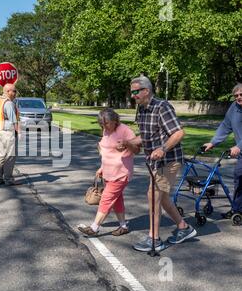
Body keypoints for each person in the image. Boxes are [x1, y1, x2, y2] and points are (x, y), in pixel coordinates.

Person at [126, 76, 197, 252]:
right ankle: (183, 227)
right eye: (131, 92)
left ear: (146, 90)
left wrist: (163, 149)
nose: (133, 95)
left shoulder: (162, 107)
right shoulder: (141, 109)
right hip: (154, 162)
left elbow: (179, 133)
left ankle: (154, 239)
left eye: (136, 91)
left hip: (168, 159)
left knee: (153, 195)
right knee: (163, 199)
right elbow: (146, 136)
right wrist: (128, 143)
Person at [78, 108, 140, 237]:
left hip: (121, 172)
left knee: (106, 199)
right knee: (117, 200)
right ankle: (123, 226)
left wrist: (127, 143)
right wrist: (102, 167)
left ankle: (94, 228)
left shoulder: (125, 130)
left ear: (114, 120)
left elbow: (137, 150)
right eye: (101, 124)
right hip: (108, 172)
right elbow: (106, 152)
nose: (104, 126)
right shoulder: (105, 130)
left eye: (106, 123)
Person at [203, 83, 242, 219]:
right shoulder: (234, 108)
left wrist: (239, 147)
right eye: (236, 95)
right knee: (239, 178)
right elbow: (225, 126)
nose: (238, 97)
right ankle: (237, 210)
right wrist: (213, 142)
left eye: (241, 94)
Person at [0, 83, 20, 186]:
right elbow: (14, 121)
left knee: (0, 156)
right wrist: (18, 133)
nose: (15, 93)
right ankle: (8, 179)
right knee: (10, 156)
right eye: (14, 91)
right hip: (8, 133)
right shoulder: (8, 103)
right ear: (9, 91)